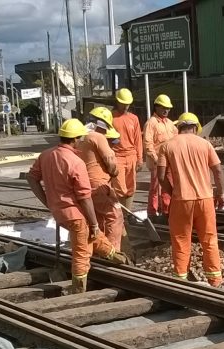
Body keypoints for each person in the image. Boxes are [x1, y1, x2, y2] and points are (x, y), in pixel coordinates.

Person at [27, 119, 129, 295]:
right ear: (75, 139)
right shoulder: (75, 162)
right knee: (82, 252)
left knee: (91, 235)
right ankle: (78, 291)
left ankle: (118, 258)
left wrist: (47, 201)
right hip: (75, 214)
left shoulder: (46, 155)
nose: (82, 141)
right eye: (81, 138)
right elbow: (85, 197)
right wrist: (95, 223)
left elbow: (31, 178)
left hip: (59, 211)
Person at [156, 112, 224, 287]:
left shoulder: (167, 146)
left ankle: (180, 279)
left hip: (181, 199)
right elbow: (218, 171)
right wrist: (221, 193)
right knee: (209, 239)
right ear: (195, 128)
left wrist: (172, 192)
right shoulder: (205, 144)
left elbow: (161, 176)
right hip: (205, 199)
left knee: (180, 239)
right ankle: (215, 280)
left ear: (178, 127)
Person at [76, 107, 124, 251]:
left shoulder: (79, 137)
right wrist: (114, 173)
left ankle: (98, 250)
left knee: (97, 219)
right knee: (115, 216)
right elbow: (111, 161)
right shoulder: (97, 137)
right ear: (102, 125)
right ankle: (112, 252)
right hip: (99, 184)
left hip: (83, 184)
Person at [143, 94, 178, 220]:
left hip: (169, 161)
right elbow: (148, 144)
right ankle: (152, 213)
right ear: (156, 107)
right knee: (155, 187)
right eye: (163, 107)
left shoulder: (169, 123)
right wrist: (156, 160)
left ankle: (166, 211)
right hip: (156, 162)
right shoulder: (151, 123)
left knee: (168, 186)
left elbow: (176, 140)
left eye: (168, 108)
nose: (166, 110)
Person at [111, 89, 143, 212]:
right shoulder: (110, 117)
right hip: (117, 156)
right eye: (123, 103)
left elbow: (138, 139)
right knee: (119, 188)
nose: (125, 106)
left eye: (127, 103)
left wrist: (140, 158)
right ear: (117, 102)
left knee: (130, 187)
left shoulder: (133, 119)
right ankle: (120, 215)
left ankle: (127, 214)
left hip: (131, 156)